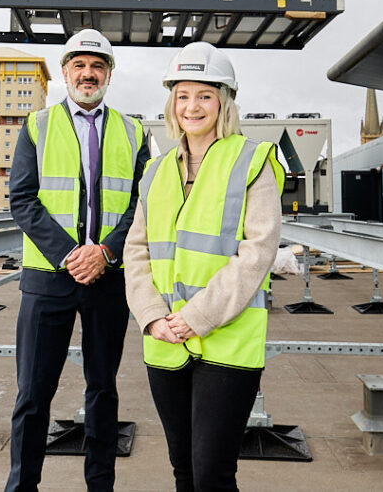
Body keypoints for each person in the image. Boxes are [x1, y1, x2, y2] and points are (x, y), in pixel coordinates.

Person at [124, 41, 284, 492]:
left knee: (213, 473)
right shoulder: (154, 171)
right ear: (172, 103)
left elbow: (258, 252)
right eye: (182, 95)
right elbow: (137, 251)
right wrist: (152, 317)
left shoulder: (252, 161)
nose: (192, 106)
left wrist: (196, 318)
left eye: (204, 95)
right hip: (165, 342)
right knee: (183, 470)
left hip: (226, 342)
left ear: (224, 101)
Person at [6, 29, 149, 492]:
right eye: (80, 66)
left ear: (109, 74)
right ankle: (22, 486)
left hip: (109, 280)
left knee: (103, 391)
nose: (88, 74)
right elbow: (23, 199)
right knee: (32, 395)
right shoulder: (37, 125)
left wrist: (105, 252)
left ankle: (100, 486)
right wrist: (72, 255)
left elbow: (142, 205)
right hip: (49, 279)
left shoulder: (134, 131)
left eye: (98, 66)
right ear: (65, 73)